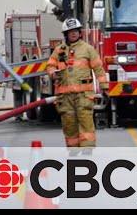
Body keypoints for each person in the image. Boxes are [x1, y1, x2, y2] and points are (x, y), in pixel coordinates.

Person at [46, 18, 108, 149]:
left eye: (75, 31)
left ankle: (87, 149)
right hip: (65, 97)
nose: (73, 34)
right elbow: (50, 66)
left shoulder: (88, 49)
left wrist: (104, 87)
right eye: (70, 32)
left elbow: (98, 69)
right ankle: (73, 150)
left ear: (80, 33)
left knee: (86, 121)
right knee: (69, 124)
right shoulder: (59, 51)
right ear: (66, 34)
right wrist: (52, 73)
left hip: (83, 95)